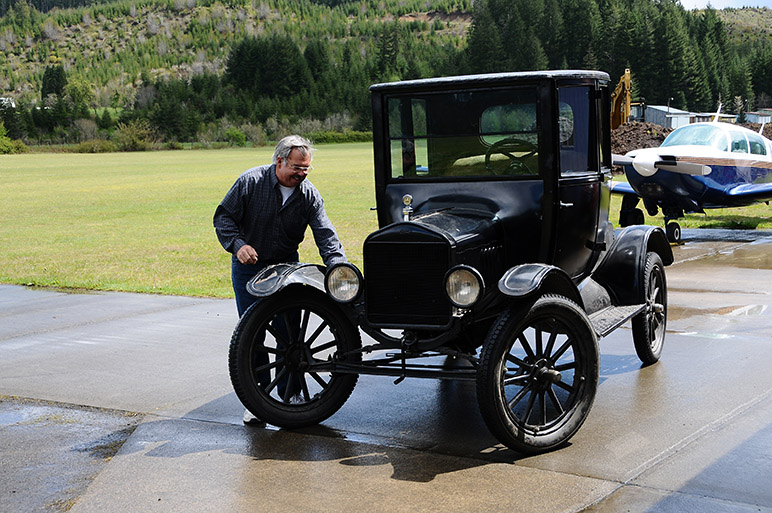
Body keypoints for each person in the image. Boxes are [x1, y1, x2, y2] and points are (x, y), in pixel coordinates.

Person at [213, 135, 346, 425]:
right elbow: (223, 218)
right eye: (297, 167)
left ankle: (290, 396)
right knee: (253, 336)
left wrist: (338, 268)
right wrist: (238, 245)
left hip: (287, 269)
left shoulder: (308, 194)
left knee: (290, 335)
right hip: (250, 268)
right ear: (279, 161)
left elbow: (325, 233)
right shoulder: (249, 182)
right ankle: (257, 401)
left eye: (306, 169)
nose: (301, 173)